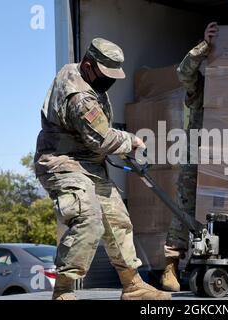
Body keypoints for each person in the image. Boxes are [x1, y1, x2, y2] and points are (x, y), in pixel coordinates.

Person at [34, 38, 171, 300]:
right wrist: (132, 140)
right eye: (105, 74)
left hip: (90, 163)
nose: (109, 81)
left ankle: (133, 285)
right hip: (63, 163)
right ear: (88, 65)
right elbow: (102, 139)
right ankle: (62, 291)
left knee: (117, 219)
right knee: (89, 218)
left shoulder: (79, 73)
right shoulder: (79, 96)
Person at [161, 22, 219, 292]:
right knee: (184, 205)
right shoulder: (200, 88)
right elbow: (183, 72)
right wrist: (205, 45)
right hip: (197, 153)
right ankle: (171, 263)